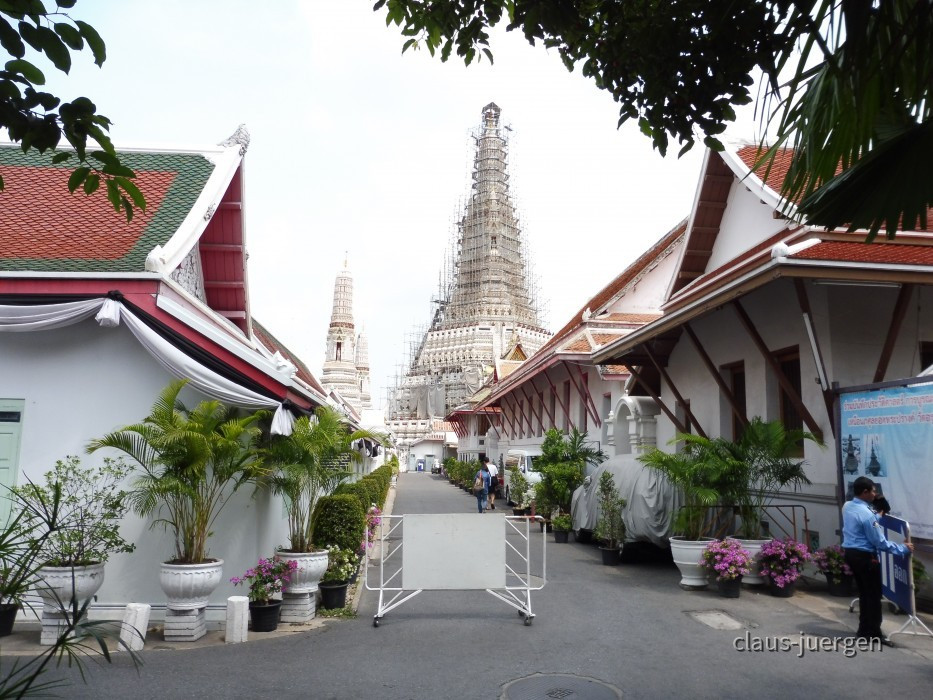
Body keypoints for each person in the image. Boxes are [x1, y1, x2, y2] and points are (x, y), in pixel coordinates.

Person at [842, 476, 914, 646]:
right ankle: (874, 633)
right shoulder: (868, 515)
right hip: (866, 558)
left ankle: (863, 631)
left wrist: (879, 514)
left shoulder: (848, 506)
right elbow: (880, 542)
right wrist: (904, 549)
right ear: (865, 492)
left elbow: (867, 522)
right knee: (873, 596)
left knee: (864, 593)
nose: (875, 494)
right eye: (873, 491)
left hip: (851, 555)